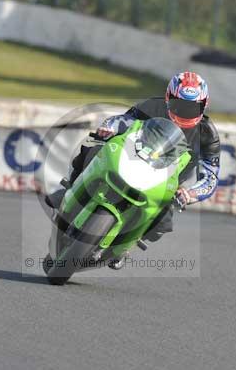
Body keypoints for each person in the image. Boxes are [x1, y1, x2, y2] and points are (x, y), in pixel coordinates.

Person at [64, 71, 221, 269]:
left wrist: (190, 193)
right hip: (132, 158)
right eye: (179, 105)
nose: (184, 112)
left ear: (203, 106)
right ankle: (71, 187)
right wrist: (109, 128)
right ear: (168, 99)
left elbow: (211, 175)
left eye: (191, 108)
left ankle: (125, 245)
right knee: (93, 149)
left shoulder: (208, 134)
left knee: (162, 223)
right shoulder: (152, 106)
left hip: (167, 179)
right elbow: (123, 120)